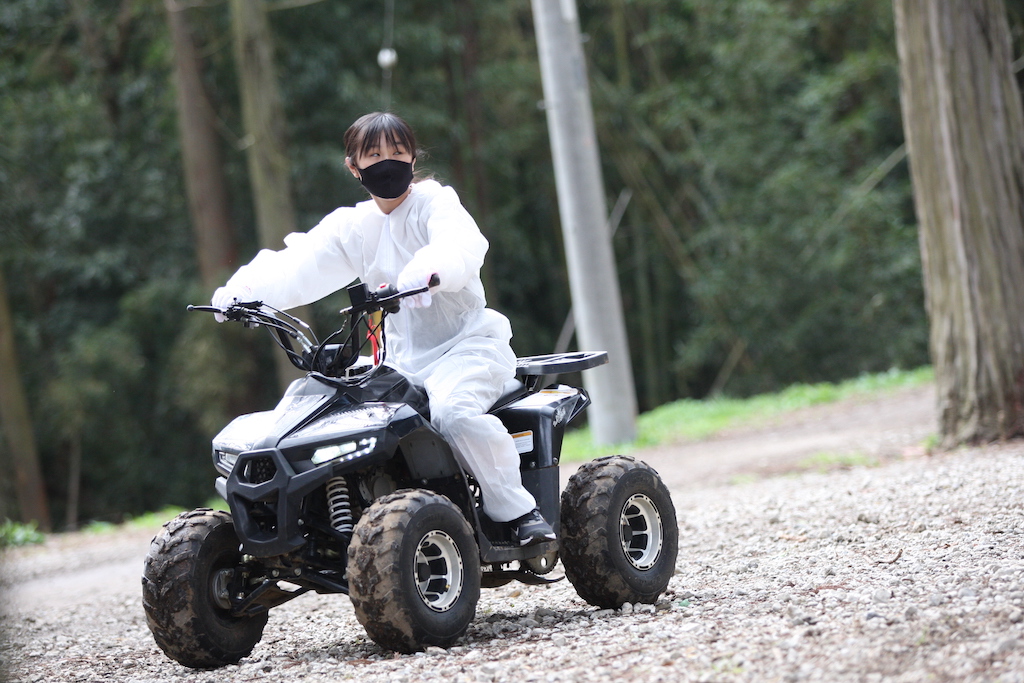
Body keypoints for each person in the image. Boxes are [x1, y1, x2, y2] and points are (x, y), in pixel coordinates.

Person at [211, 111, 555, 546]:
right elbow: (296, 265)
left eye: (398, 151)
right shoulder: (353, 227)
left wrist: (427, 271)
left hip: (468, 348)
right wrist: (242, 291)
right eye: (374, 155)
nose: (387, 161)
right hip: (397, 363)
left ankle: (518, 513)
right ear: (353, 167)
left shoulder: (435, 203)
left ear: (413, 158)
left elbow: (459, 245)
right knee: (312, 403)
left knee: (453, 412)